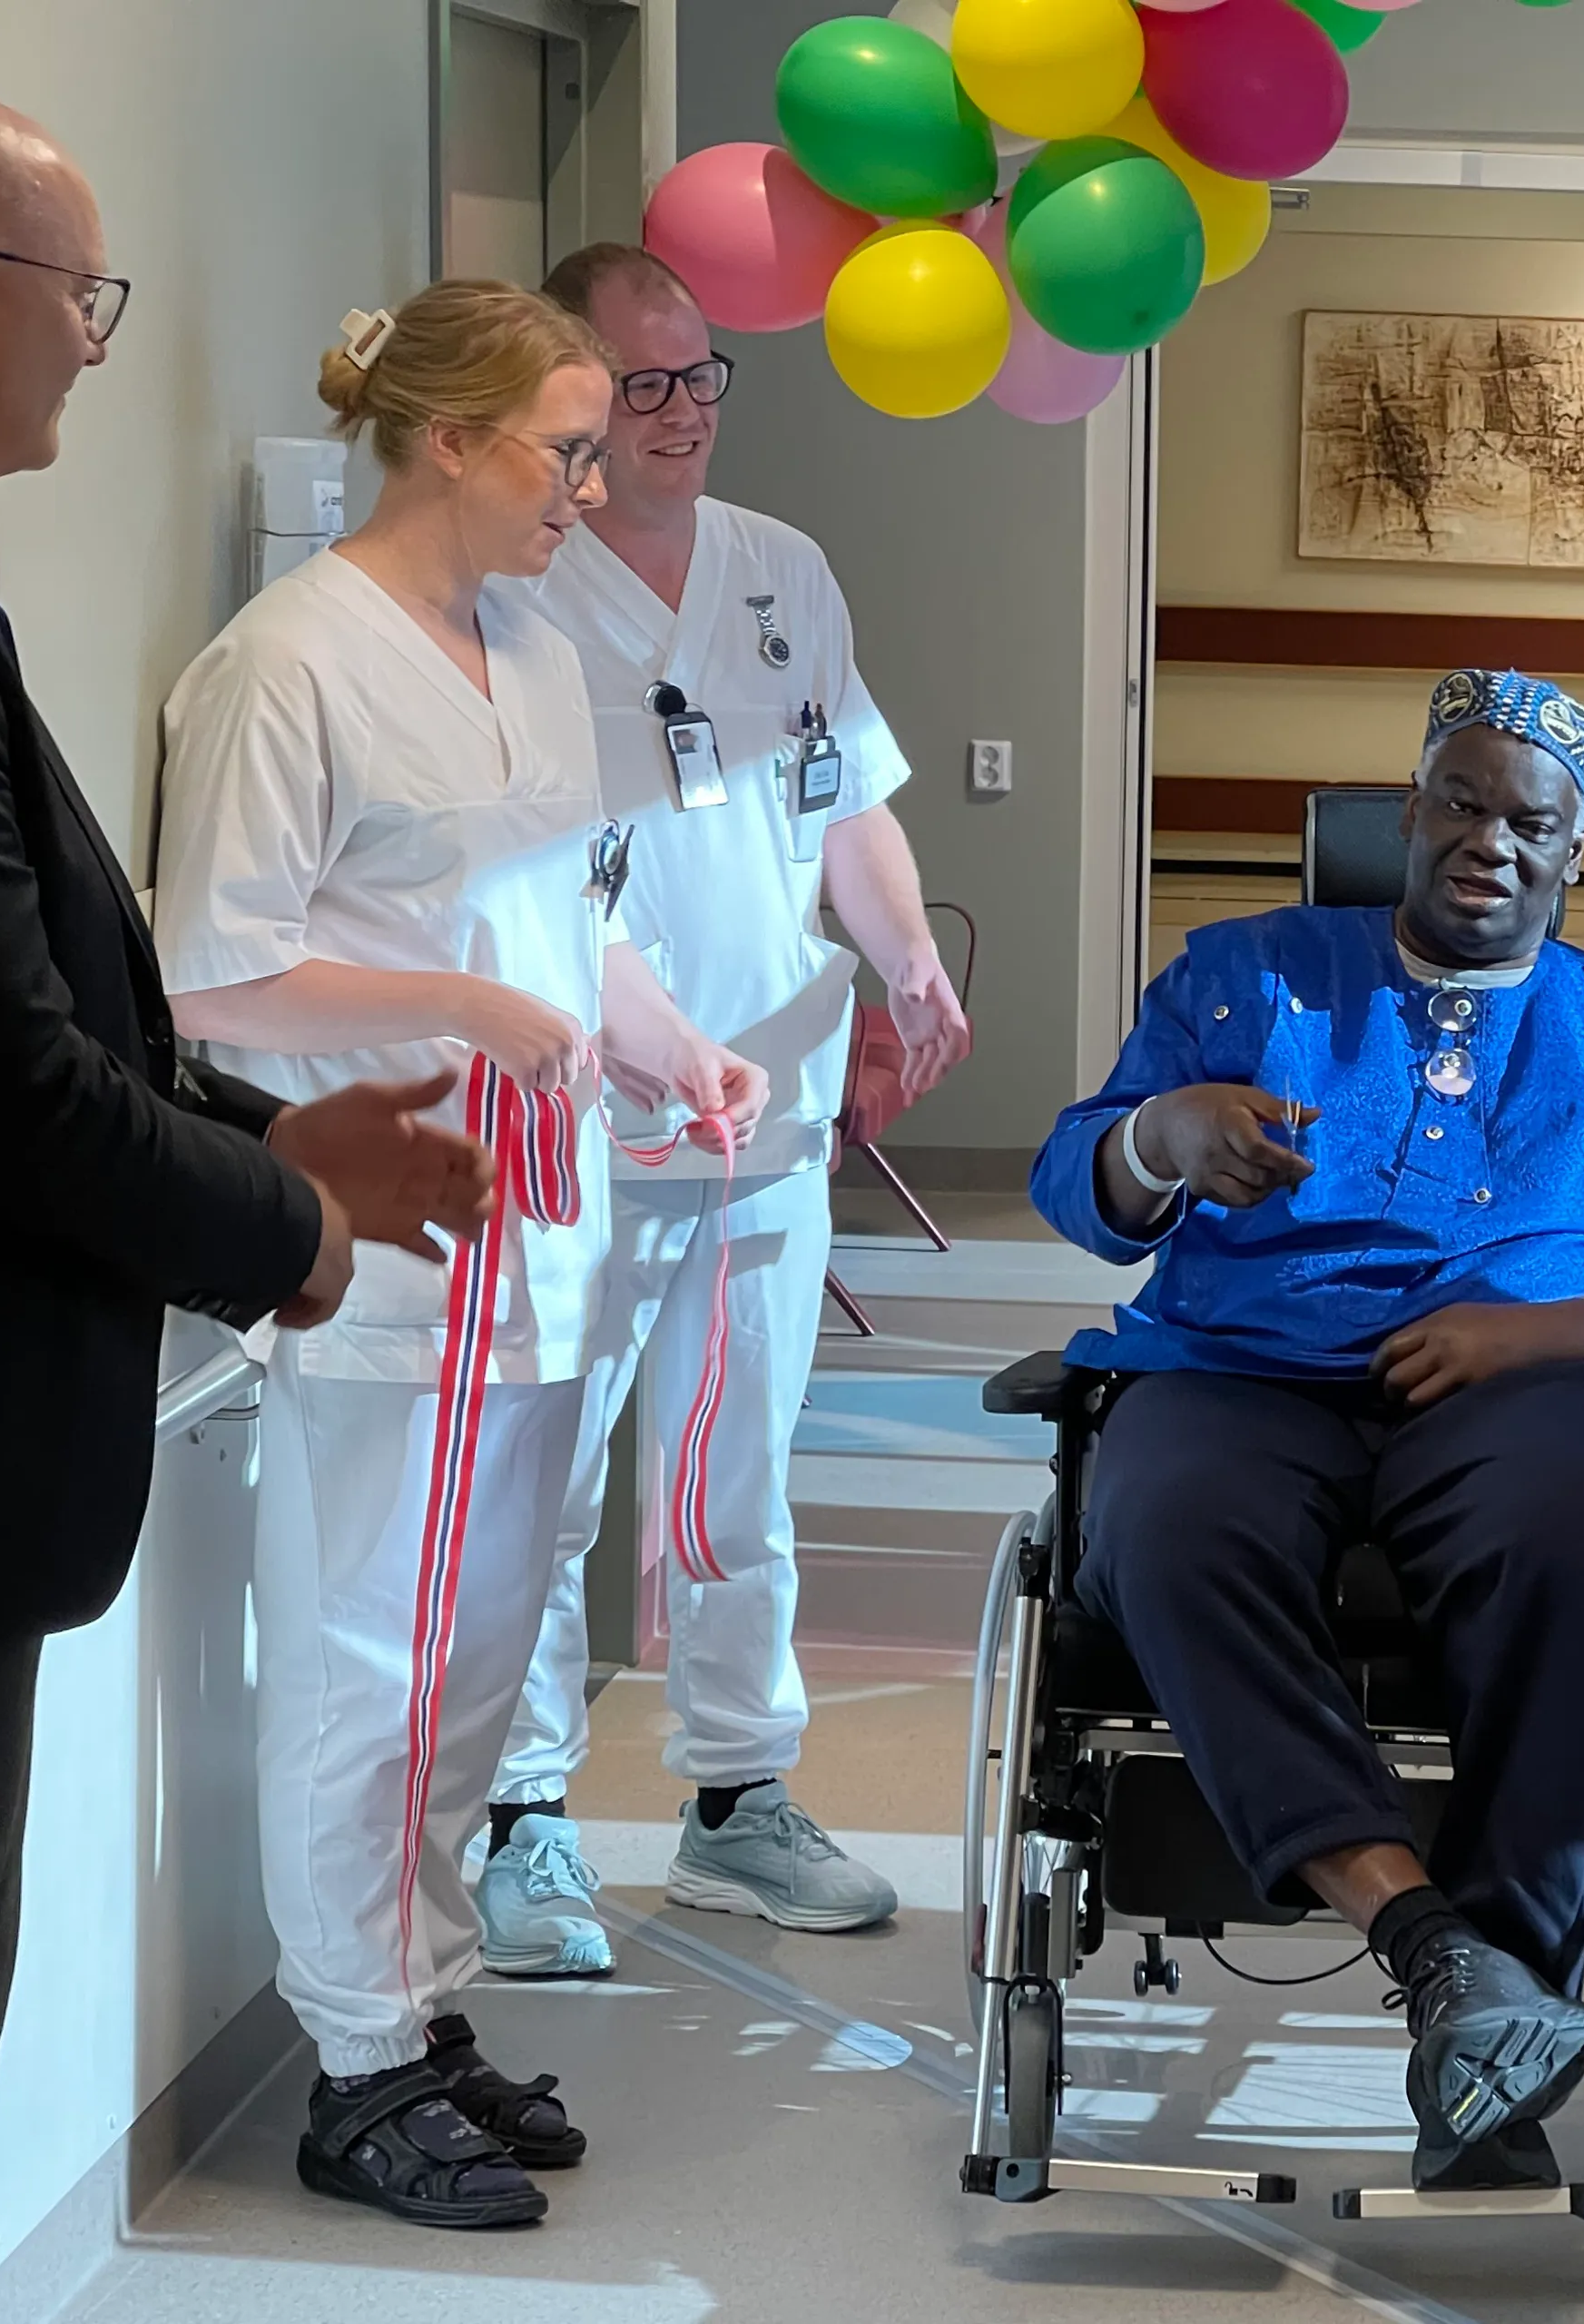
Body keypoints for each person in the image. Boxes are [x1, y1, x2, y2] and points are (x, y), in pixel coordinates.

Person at [0, 88, 495, 2319]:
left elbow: (85, 1029)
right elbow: (11, 1086)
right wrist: (289, 1220)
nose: (92, 340)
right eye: (82, 295)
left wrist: (269, 1139)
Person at [155, 281, 769, 2230]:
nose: (594, 485)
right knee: (373, 1663)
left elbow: (554, 912)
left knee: (479, 1663)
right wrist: (463, 1008)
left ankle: (418, 2012)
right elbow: (210, 976)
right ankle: (348, 2058)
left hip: (538, 1233)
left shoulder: (524, 640)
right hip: (386, 1244)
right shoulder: (287, 665)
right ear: (444, 441)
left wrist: (671, 1038)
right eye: (564, 448)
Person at [1028, 670, 1584, 2190]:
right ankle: (1450, 1963)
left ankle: (1488, 2067)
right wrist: (1162, 1138)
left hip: (1524, 1394)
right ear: (1408, 814)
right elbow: (1079, 1185)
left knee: (1580, 1536)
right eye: (1461, 802)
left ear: (1579, 853)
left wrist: (1555, 1329)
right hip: (1243, 1371)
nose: (1490, 841)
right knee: (1160, 1520)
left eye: (1534, 821)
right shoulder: (1251, 979)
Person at [469, 243, 968, 1976]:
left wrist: (905, 960)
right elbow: (529, 879)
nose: (679, 416)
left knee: (734, 1478)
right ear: (567, 393)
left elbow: (849, 797)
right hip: (581, 1115)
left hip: (772, 1100)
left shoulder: (782, 571)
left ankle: (736, 1803)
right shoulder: (510, 594)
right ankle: (518, 1819)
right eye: (642, 385)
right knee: (545, 1478)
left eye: (701, 380)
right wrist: (654, 1043)